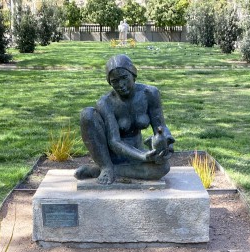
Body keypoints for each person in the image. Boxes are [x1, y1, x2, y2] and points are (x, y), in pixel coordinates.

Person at [75, 54, 175, 185]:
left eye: (124, 78)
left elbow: (160, 127)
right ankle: (105, 166)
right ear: (109, 82)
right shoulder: (106, 102)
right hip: (111, 156)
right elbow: (114, 141)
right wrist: (142, 156)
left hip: (136, 154)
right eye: (114, 81)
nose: (121, 85)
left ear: (133, 75)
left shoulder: (150, 93)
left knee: (163, 168)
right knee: (87, 114)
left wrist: (167, 143)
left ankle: (103, 170)